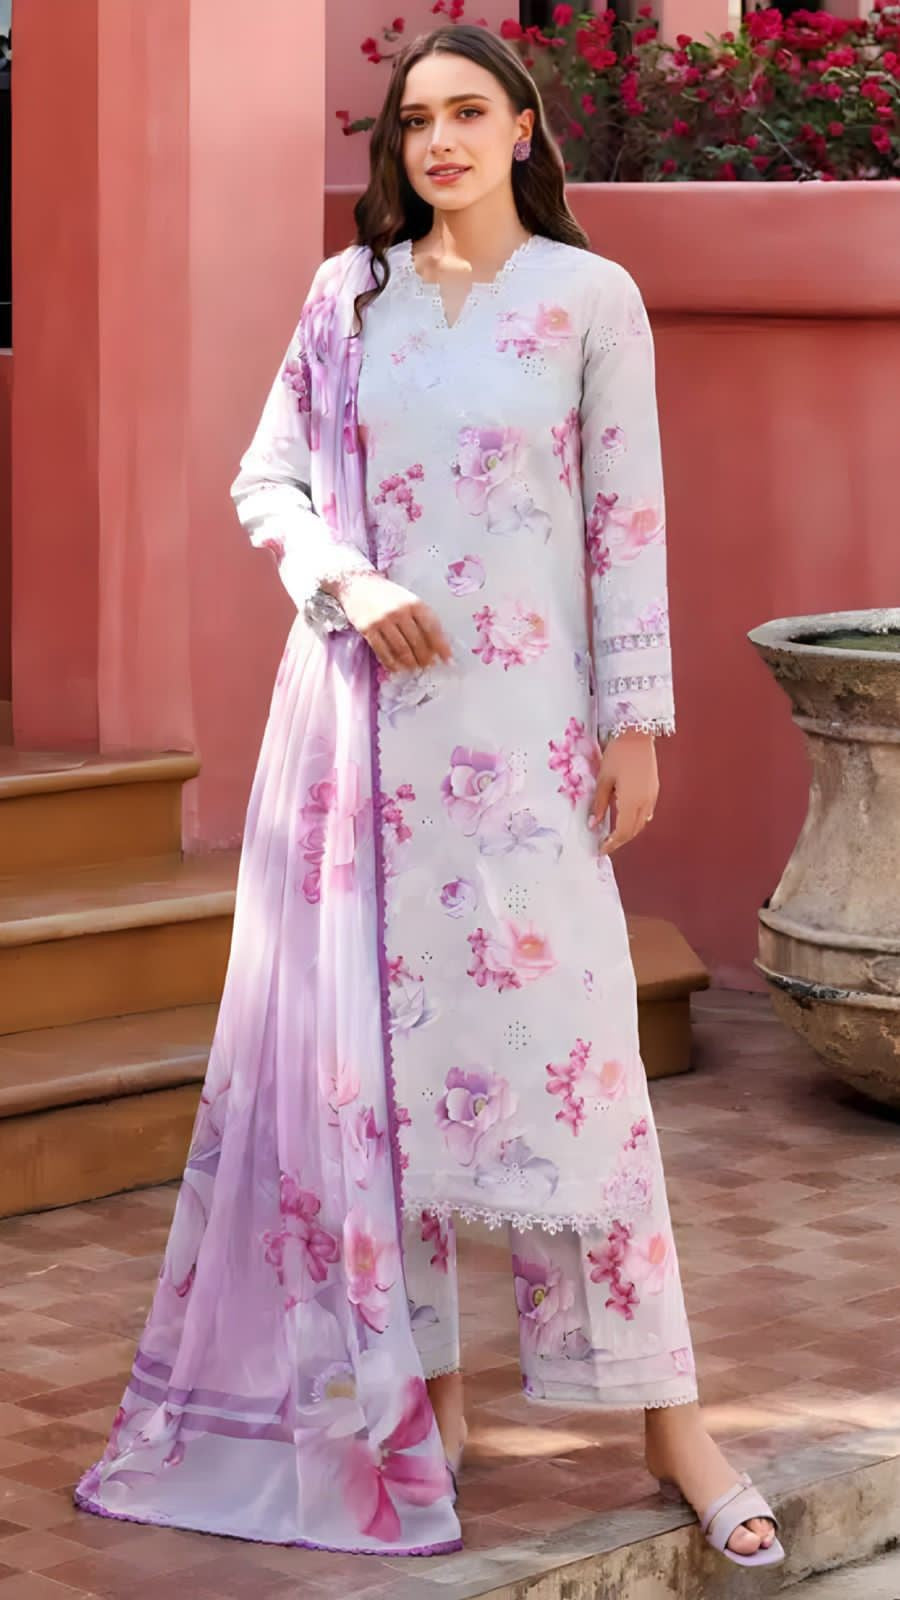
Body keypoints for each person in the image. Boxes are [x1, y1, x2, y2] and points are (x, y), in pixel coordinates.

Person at [73, 22, 782, 1569]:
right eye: (414, 122)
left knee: (579, 1074)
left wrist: (636, 723)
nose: (439, 141)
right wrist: (348, 581)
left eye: (468, 112)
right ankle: (426, 1409)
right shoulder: (350, 298)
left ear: (525, 130)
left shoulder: (590, 299)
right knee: (382, 1087)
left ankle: (673, 1423)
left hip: (529, 745)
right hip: (365, 745)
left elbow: (626, 524)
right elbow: (269, 481)